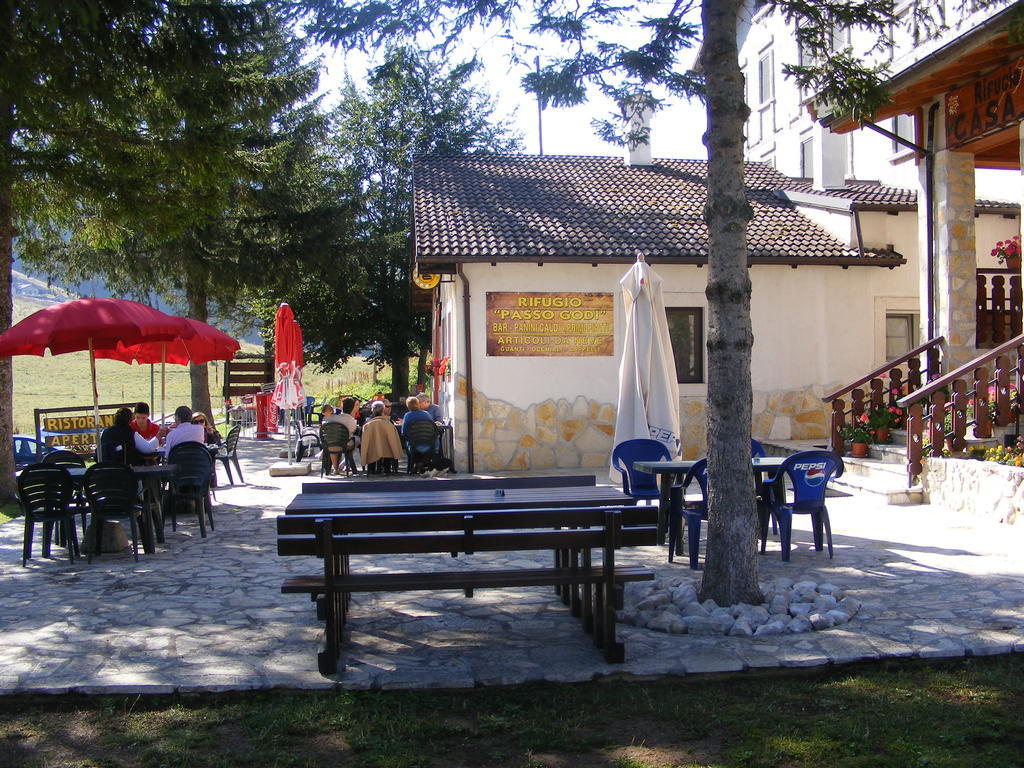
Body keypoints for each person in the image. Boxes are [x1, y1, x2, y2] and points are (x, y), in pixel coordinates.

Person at [361, 401, 403, 474]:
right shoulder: (389, 424)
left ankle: (371, 469)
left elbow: (364, 442)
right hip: (387, 451)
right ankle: (387, 469)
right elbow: (393, 441)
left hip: (372, 451)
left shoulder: (367, 425)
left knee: (372, 448)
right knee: (388, 447)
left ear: (372, 410)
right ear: (383, 410)